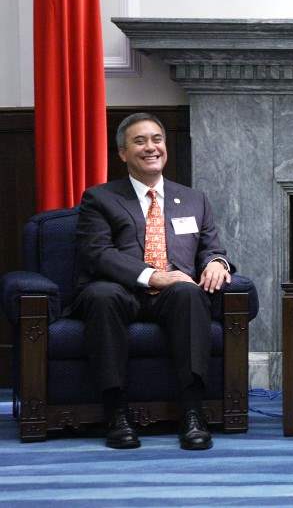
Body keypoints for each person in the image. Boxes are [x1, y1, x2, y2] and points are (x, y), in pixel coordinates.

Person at [70, 113, 233, 450]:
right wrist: (151, 275)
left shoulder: (194, 199)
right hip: (120, 288)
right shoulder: (100, 198)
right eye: (140, 141)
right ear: (122, 153)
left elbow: (211, 247)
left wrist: (216, 263)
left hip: (174, 292)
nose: (151, 147)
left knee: (190, 294)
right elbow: (97, 253)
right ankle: (117, 413)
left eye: (157, 139)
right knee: (101, 296)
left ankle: (192, 413)